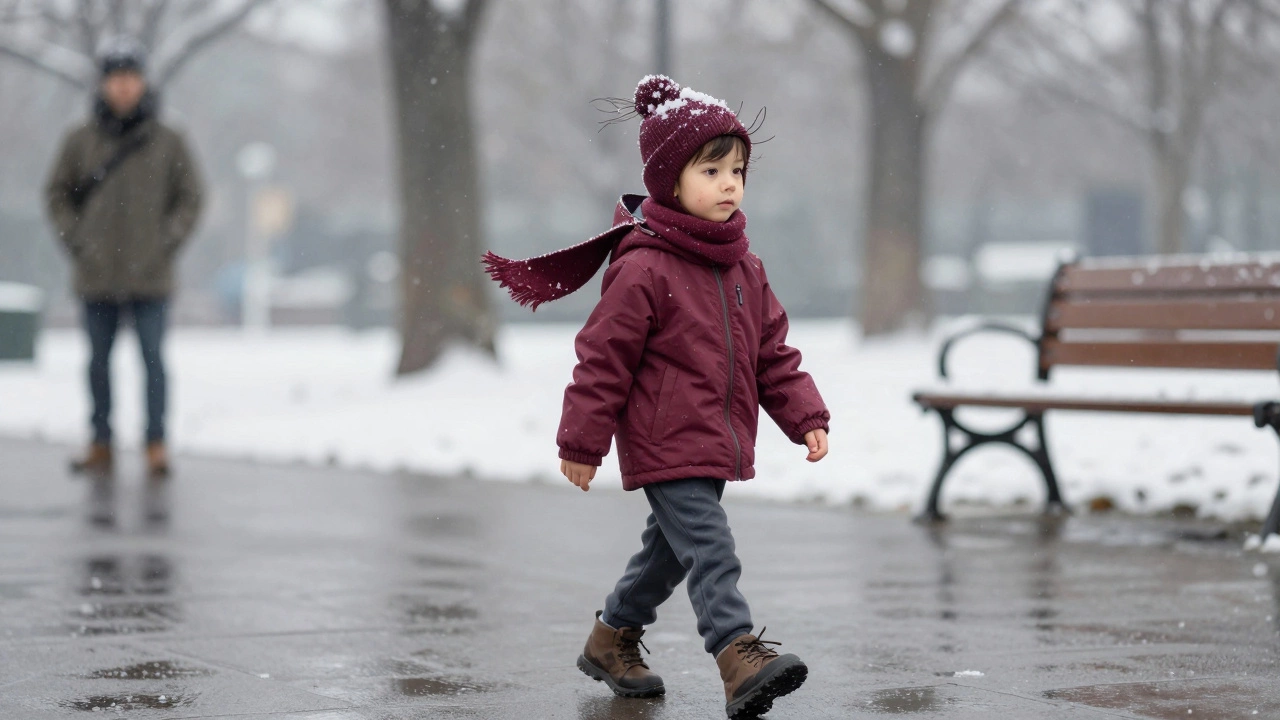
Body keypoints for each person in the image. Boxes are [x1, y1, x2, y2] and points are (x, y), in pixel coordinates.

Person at [484, 75, 830, 719]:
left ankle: (611, 639)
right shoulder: (644, 265)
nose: (730, 184)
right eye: (712, 170)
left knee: (668, 554)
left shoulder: (744, 267)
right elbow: (604, 358)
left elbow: (772, 352)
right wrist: (582, 441)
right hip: (665, 433)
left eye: (739, 170)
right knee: (709, 545)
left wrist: (804, 415)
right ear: (670, 181)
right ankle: (736, 652)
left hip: (715, 434)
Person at [45, 39, 204, 479]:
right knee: (97, 363)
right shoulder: (79, 141)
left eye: (130, 78)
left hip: (151, 275)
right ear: (103, 85)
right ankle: (100, 440)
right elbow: (56, 194)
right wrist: (77, 241)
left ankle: (156, 442)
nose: (123, 88)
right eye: (115, 79)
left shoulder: (168, 141)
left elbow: (191, 197)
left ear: (142, 82)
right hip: (96, 273)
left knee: (153, 361)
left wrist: (167, 241)